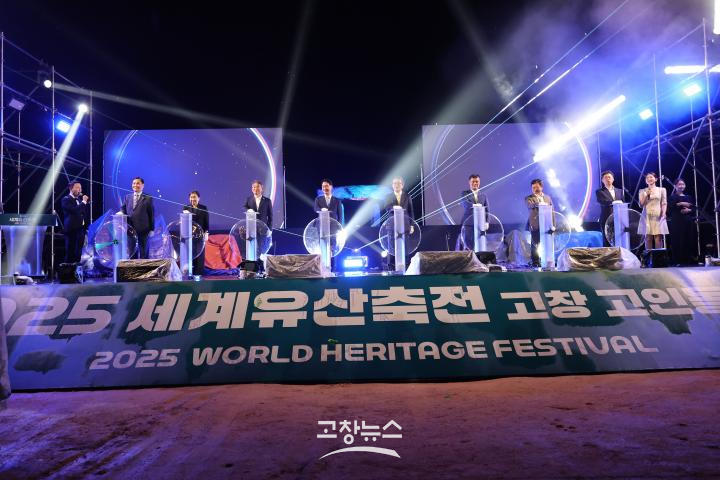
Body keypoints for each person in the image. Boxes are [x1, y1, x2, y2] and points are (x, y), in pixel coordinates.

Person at [121, 177, 155, 259]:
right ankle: (133, 267)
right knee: (132, 252)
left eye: (138, 183)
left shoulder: (148, 198)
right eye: (134, 183)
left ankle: (145, 267)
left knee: (144, 253)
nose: (135, 185)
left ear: (142, 185)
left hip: (144, 230)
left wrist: (152, 229)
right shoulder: (127, 197)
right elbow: (123, 209)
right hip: (130, 230)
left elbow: (151, 214)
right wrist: (121, 213)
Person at [595, 170, 629, 246]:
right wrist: (614, 202)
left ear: (613, 179)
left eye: (609, 177)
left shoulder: (620, 191)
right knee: (607, 239)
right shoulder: (600, 191)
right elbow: (602, 201)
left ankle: (619, 252)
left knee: (619, 238)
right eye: (605, 177)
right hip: (606, 218)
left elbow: (623, 203)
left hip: (619, 219)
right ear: (602, 180)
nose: (608, 179)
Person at [456, 174, 489, 250]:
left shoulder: (483, 195)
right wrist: (476, 205)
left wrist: (487, 222)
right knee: (468, 244)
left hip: (480, 224)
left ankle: (478, 256)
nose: (475, 183)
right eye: (473, 181)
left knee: (479, 244)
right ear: (469, 182)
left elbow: (487, 209)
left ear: (479, 182)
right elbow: (466, 204)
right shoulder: (464, 193)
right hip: (468, 224)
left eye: (477, 181)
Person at [525, 178, 554, 267]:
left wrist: (553, 225)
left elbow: (552, 212)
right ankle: (535, 262)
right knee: (535, 244)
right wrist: (540, 204)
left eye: (537, 187)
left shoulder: (548, 198)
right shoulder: (529, 198)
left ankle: (548, 261)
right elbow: (529, 205)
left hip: (547, 225)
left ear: (541, 187)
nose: (535, 189)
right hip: (535, 224)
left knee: (548, 243)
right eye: (533, 188)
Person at [668, 179, 696, 265]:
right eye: (679, 184)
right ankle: (678, 260)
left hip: (688, 221)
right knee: (677, 240)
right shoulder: (672, 197)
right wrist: (682, 203)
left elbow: (693, 208)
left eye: (683, 184)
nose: (681, 186)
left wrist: (689, 210)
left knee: (688, 239)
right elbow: (671, 207)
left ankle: (687, 259)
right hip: (677, 221)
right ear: (675, 186)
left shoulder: (689, 197)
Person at [61, 181, 90, 263]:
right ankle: (68, 269)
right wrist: (84, 202)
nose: (80, 190)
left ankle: (76, 268)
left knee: (79, 251)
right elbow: (74, 210)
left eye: (80, 188)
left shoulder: (79, 201)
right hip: (71, 229)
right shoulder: (66, 199)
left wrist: (86, 226)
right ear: (71, 188)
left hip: (81, 229)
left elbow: (83, 214)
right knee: (71, 251)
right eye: (77, 187)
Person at [638, 172, 668, 251]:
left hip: (658, 214)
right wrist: (645, 195)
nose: (649, 179)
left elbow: (664, 203)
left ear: (656, 179)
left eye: (651, 177)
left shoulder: (662, 190)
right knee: (648, 238)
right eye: (647, 178)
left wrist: (663, 213)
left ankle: (658, 257)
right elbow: (641, 205)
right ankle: (648, 256)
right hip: (646, 215)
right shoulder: (642, 191)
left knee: (658, 238)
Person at [183, 191, 210, 275]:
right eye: (191, 197)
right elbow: (184, 222)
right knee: (191, 254)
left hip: (200, 234)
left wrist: (206, 233)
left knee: (200, 254)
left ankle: (199, 274)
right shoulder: (186, 208)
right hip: (189, 235)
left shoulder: (203, 208)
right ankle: (191, 273)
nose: (192, 199)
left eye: (194, 197)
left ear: (199, 198)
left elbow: (206, 221)